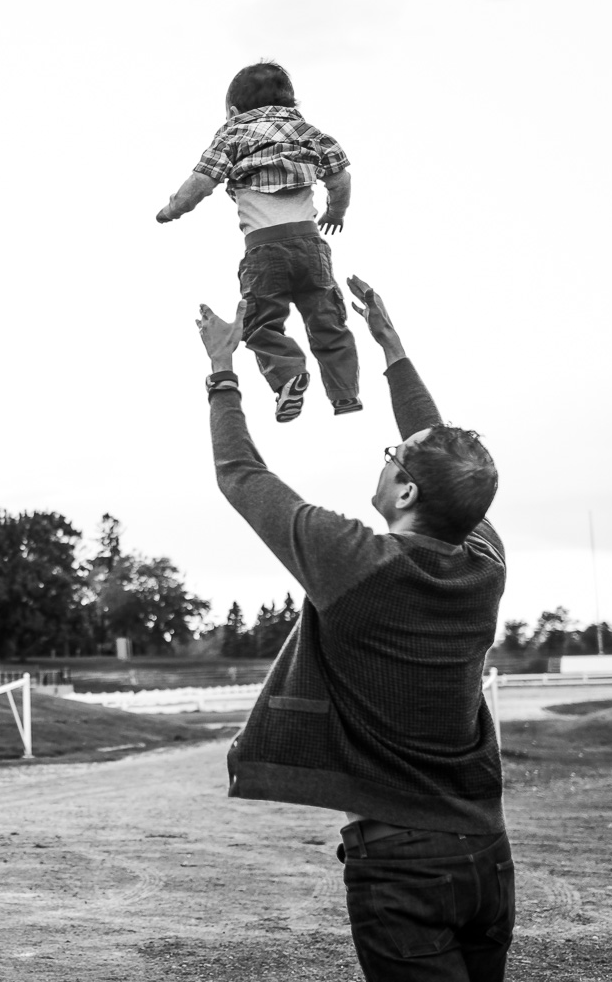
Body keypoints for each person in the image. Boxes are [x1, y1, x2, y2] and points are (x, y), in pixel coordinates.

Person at [195, 277, 513, 981]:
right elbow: (449, 470)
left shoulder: (354, 564)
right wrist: (394, 351)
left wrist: (222, 371)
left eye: (393, 458)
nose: (387, 455)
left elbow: (241, 475)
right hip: (486, 853)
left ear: (405, 493)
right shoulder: (484, 564)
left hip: (402, 864)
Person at [159, 60, 361, 422]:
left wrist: (173, 209)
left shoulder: (232, 133)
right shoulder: (310, 132)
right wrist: (335, 213)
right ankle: (345, 392)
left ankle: (288, 374)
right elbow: (340, 179)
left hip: (264, 251)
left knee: (261, 324)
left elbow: (201, 182)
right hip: (311, 246)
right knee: (327, 318)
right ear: (291, 105)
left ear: (233, 111)